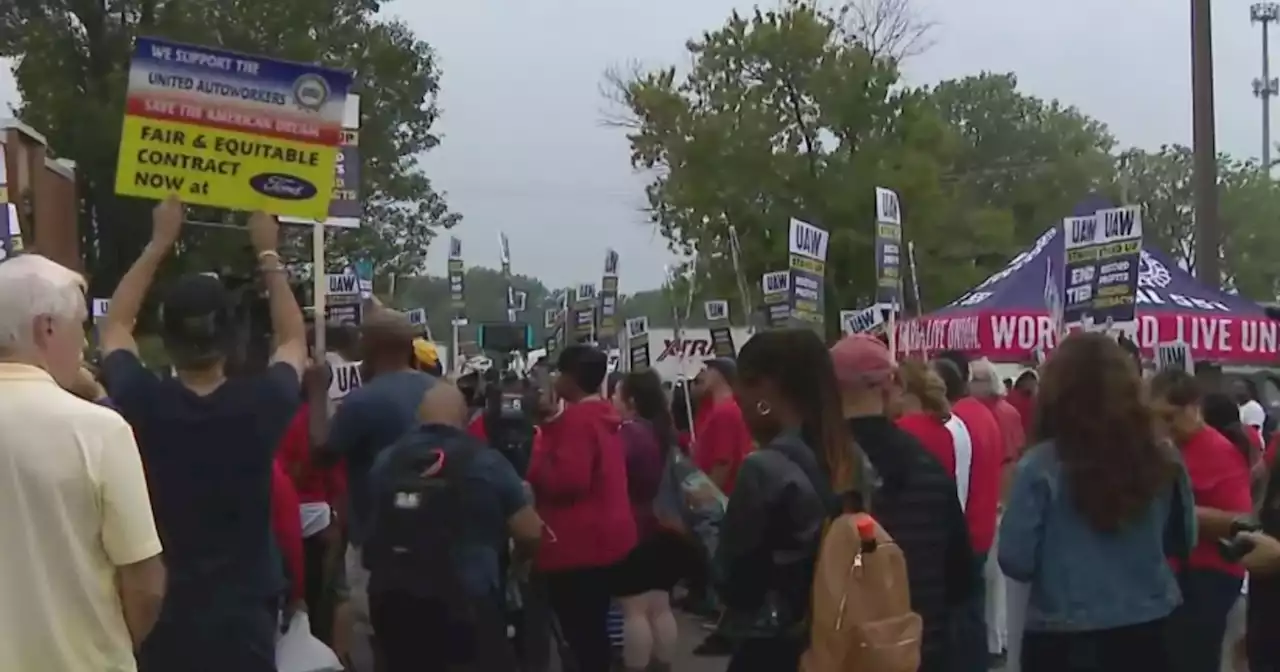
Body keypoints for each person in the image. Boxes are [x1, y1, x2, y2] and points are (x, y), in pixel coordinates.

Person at [98, 200, 307, 672]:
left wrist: (158, 244)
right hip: (244, 615)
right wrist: (268, 255)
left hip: (163, 612)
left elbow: (114, 327)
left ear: (167, 339)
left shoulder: (142, 401)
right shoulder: (262, 405)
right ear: (233, 340)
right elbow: (294, 342)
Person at [0, 254, 166, 671]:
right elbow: (145, 584)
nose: (86, 346)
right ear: (47, 328)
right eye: (80, 329)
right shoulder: (99, 431)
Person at [999, 332, 1193, 672]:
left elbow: (1016, 560)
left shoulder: (1039, 466)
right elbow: (1183, 539)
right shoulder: (1162, 457)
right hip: (1151, 624)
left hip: (1064, 636)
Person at [364, 382, 543, 672]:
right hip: (466, 600)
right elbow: (529, 531)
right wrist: (518, 563)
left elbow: (369, 524)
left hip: (394, 598)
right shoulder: (486, 462)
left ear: (419, 416)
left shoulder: (386, 460)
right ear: (463, 417)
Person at [717, 329, 859, 672]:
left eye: (743, 392)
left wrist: (708, 526)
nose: (740, 401)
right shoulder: (853, 458)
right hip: (841, 639)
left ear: (766, 390)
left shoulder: (763, 470)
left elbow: (734, 584)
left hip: (776, 646)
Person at [833, 340, 974, 672]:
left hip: (839, 651)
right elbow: (961, 578)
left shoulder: (813, 461)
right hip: (919, 648)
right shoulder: (927, 464)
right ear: (889, 384)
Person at [315, 309, 437, 665]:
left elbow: (321, 453)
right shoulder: (440, 392)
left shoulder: (363, 401)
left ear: (375, 348)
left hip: (376, 541)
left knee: (385, 639)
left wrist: (314, 394)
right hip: (437, 536)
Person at [527, 344, 637, 672]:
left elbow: (567, 481)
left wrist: (535, 455)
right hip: (608, 538)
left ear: (571, 377)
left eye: (559, 372)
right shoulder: (602, 415)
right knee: (593, 630)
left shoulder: (577, 420)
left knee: (580, 634)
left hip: (576, 545)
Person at [1150, 369, 1253, 672]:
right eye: (1158, 418)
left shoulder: (1220, 452)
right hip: (1170, 575)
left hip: (1208, 574)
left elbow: (1241, 521)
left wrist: (1180, 513)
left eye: (1170, 417)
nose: (1165, 427)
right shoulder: (1165, 449)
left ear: (1193, 408)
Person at [932, 351, 1003, 672]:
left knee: (960, 620)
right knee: (973, 613)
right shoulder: (983, 414)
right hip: (984, 524)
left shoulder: (956, 422)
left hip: (966, 528)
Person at [611, 369, 684, 672]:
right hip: (667, 525)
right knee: (660, 605)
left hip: (635, 525)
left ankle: (636, 667)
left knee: (634, 609)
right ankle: (663, 664)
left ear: (631, 400)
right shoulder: (665, 431)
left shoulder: (629, 433)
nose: (612, 399)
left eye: (616, 394)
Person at [691, 357, 754, 494]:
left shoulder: (725, 411)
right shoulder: (723, 409)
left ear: (720, 375)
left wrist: (706, 495)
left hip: (723, 498)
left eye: (709, 369)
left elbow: (723, 464)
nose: (704, 373)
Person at [1006, 371, 1037, 438]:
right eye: (1028, 380)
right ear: (1021, 382)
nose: (1031, 384)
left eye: (1033, 382)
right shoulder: (1010, 398)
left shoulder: (1034, 400)